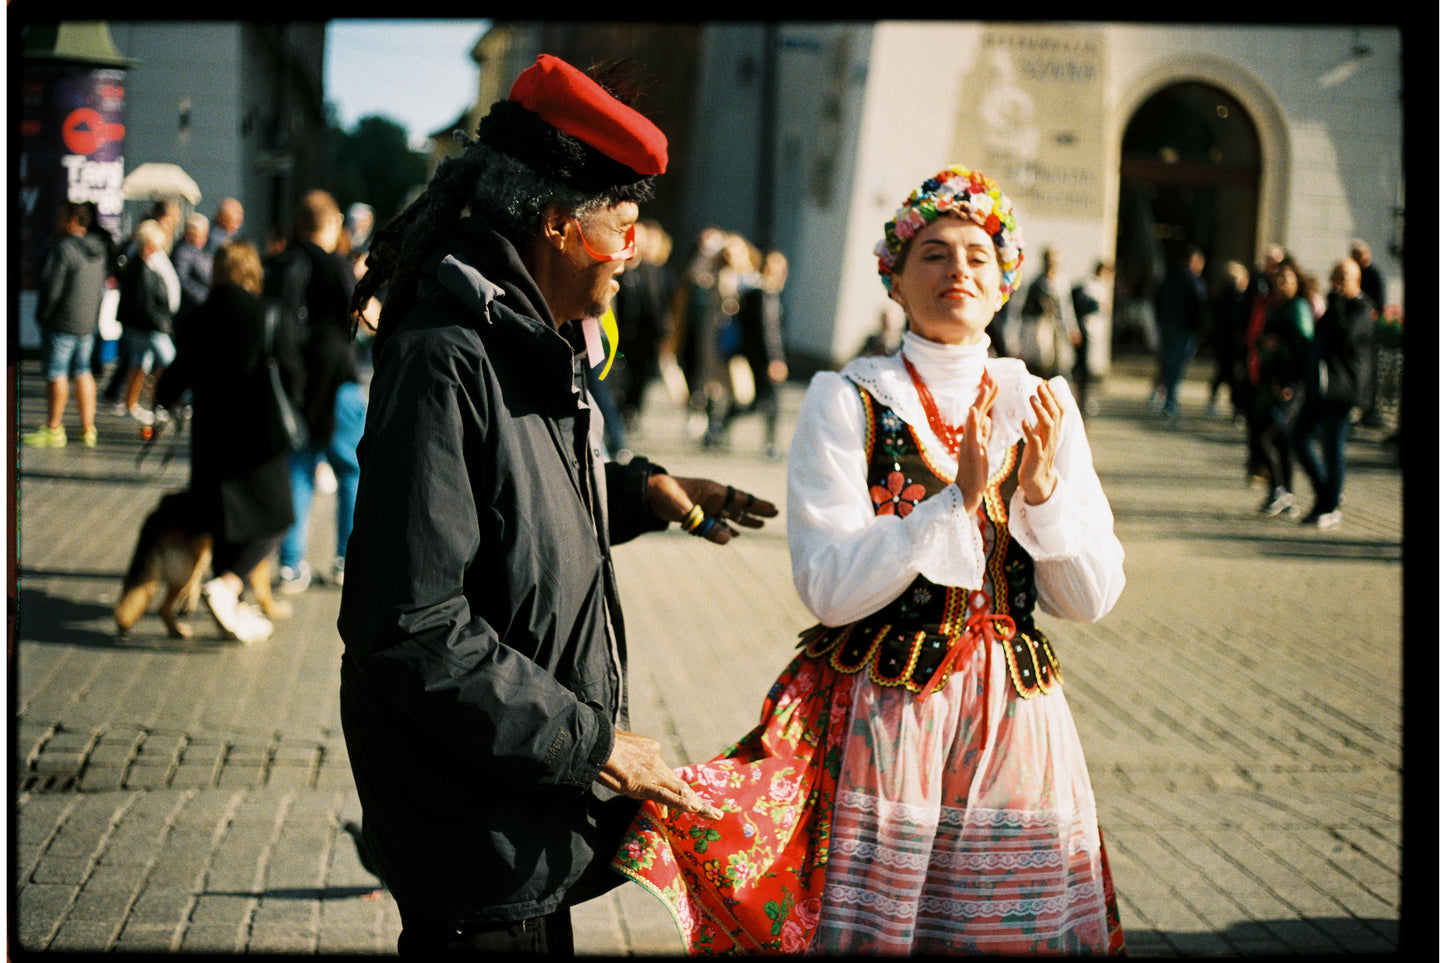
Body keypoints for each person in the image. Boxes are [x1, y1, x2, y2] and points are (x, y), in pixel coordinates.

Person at [612, 165, 1127, 955]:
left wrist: (1044, 493)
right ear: (894, 278)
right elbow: (827, 586)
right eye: (932, 252)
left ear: (1004, 280)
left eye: (977, 255)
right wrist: (950, 503)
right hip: (891, 718)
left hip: (1017, 716)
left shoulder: (1043, 402)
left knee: (1007, 930)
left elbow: (1087, 597)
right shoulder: (849, 396)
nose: (958, 269)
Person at [335, 54, 778, 956]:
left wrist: (640, 493)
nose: (634, 255)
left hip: (519, 809)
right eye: (623, 227)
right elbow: (410, 624)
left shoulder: (527, 337)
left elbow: (513, 513)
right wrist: (593, 743)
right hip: (470, 828)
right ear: (556, 224)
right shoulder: (447, 357)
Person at [155, 241, 302, 643]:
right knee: (278, 516)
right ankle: (229, 586)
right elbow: (292, 376)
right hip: (259, 438)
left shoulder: (199, 317)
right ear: (252, 271)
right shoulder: (268, 313)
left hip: (211, 438)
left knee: (223, 523)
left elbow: (172, 381)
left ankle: (228, 606)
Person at [272, 189, 365, 593]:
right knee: (351, 470)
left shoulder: (279, 265)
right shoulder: (337, 266)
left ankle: (290, 564)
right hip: (338, 382)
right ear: (332, 223)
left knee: (299, 472)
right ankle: (346, 560)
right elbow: (360, 313)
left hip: (294, 385)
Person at [1292, 258, 1375, 528]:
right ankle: (1325, 494)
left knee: (1332, 448)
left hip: (1343, 391)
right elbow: (1319, 340)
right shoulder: (1335, 306)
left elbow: (1346, 337)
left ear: (1356, 280)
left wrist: (1336, 304)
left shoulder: (1362, 308)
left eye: (1342, 277)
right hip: (1321, 388)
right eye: (1334, 276)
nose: (1336, 283)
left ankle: (1330, 506)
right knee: (1299, 436)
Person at [23, 201, 110, 449]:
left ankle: (54, 427)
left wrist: (43, 316)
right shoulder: (99, 248)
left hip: (61, 321)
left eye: (60, 216)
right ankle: (87, 428)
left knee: (56, 373)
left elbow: (53, 287)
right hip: (86, 323)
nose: (56, 221)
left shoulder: (63, 247)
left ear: (72, 220)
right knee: (83, 371)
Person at [1253, 257, 1315, 516]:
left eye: (1286, 280)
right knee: (1278, 440)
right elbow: (1260, 340)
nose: (1281, 284)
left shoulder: (1299, 308)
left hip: (1288, 383)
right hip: (1270, 381)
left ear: (1296, 282)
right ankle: (1283, 492)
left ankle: (1281, 490)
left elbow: (1304, 349)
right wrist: (1265, 344)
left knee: (1267, 436)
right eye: (1278, 279)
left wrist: (1289, 382)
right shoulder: (1276, 306)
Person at [116, 218, 181, 424]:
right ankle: (160, 403)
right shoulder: (142, 267)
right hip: (149, 325)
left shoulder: (138, 262)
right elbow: (146, 302)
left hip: (142, 324)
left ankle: (132, 404)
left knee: (139, 364)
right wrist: (161, 323)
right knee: (168, 362)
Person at [734, 247, 790, 457]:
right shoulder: (762, 295)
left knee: (761, 402)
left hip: (758, 357)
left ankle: (720, 424)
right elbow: (769, 333)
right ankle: (770, 444)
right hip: (762, 359)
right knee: (764, 402)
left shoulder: (768, 295)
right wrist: (774, 360)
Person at [1152, 243, 1207, 420]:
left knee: (1167, 362)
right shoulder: (1193, 281)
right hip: (1184, 329)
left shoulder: (1169, 277)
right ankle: (1170, 401)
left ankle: (1161, 394)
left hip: (1169, 326)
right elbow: (1200, 306)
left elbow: (1158, 301)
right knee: (1176, 364)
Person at [1015, 246, 1079, 380]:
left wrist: (1072, 328)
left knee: (1060, 362)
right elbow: (1024, 312)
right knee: (1041, 361)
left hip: (1057, 327)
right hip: (1040, 327)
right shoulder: (1035, 283)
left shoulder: (1061, 282)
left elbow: (1066, 308)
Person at [1206, 260, 1252, 419]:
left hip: (1221, 342)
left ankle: (1213, 402)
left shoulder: (1220, 297)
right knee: (1233, 375)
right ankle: (1237, 408)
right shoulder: (1238, 298)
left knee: (1222, 373)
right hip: (1234, 342)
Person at [1069, 260, 1113, 417]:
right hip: (1085, 331)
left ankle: (1082, 399)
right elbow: (1086, 305)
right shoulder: (1090, 286)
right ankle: (1081, 400)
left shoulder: (1098, 286)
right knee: (1083, 369)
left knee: (1083, 368)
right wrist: (1098, 306)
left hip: (1091, 332)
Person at [171, 211, 212, 329]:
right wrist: (204, 296)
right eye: (202, 234)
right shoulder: (183, 251)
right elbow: (182, 280)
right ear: (190, 234)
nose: (205, 237)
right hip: (190, 310)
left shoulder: (199, 250)